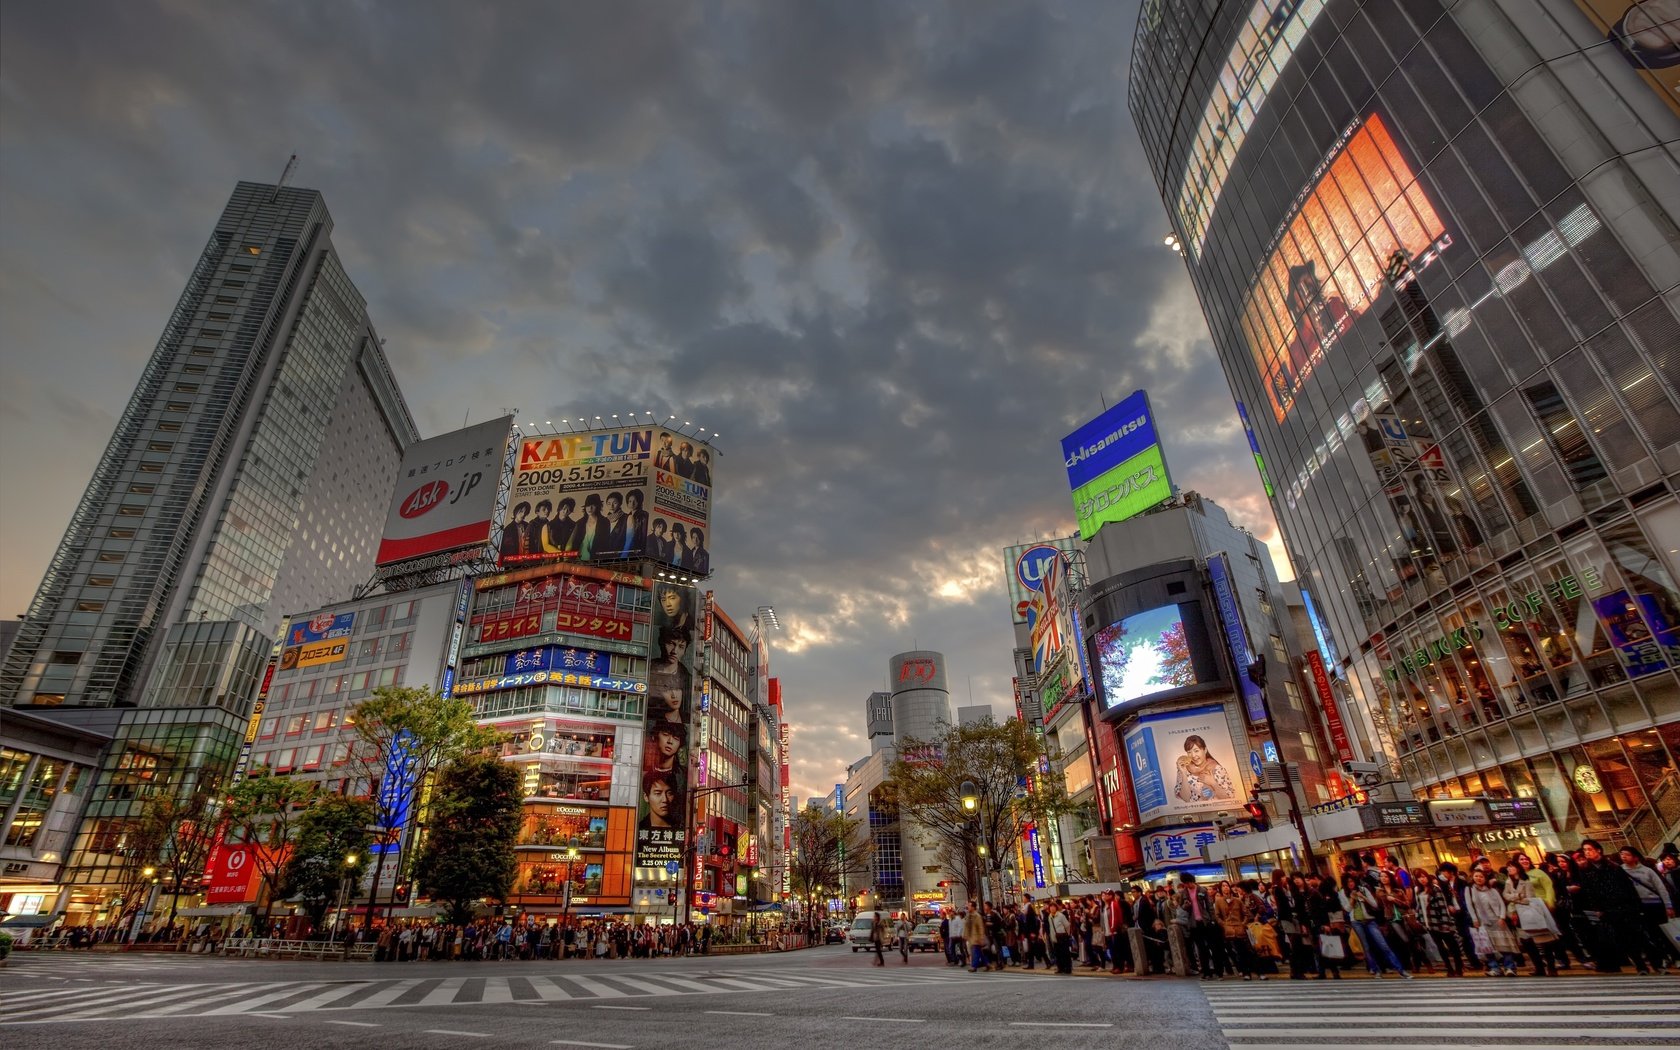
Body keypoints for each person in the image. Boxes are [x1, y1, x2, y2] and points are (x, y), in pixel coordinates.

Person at [1619, 845, 1678, 972]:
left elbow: (1661, 888)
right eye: (1622, 854)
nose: (1624, 857)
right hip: (1636, 907)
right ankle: (1661, 959)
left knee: (1663, 933)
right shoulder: (1619, 871)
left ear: (1635, 857)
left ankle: (1675, 956)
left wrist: (1668, 905)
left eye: (1627, 854)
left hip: (1654, 905)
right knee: (1649, 935)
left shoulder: (1647, 870)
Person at [1342, 871, 1411, 978]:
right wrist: (1352, 899)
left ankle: (1400, 970)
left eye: (1352, 881)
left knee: (1383, 945)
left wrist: (1363, 898)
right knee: (1366, 947)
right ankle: (1376, 970)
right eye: (1348, 882)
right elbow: (1347, 910)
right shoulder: (1342, 893)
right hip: (1356, 922)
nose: (1350, 884)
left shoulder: (1363, 889)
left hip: (1369, 920)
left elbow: (1375, 905)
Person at [1503, 861, 1561, 976]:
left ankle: (1551, 966)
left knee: (1544, 940)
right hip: (1516, 913)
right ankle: (1539, 966)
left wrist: (1514, 898)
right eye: (1508, 867)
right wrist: (1518, 897)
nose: (1509, 869)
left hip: (1530, 912)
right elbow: (1505, 895)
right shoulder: (1508, 882)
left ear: (1518, 868)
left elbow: (1530, 898)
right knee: (1527, 942)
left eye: (1511, 866)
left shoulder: (1526, 881)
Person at [1466, 867, 1520, 975]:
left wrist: (1502, 917)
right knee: (1487, 947)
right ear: (1472, 877)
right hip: (1482, 922)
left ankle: (1509, 967)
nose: (1478, 878)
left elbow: (1501, 904)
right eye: (1476, 876)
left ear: (1485, 878)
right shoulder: (1470, 890)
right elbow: (1470, 906)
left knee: (1504, 945)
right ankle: (1494, 968)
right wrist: (1475, 919)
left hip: (1497, 920)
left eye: (1481, 876)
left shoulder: (1492, 890)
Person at [1173, 735, 1235, 803]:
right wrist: (1184, 774)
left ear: (1205, 750)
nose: (1193, 755)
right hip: (1196, 811)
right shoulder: (1183, 769)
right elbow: (1186, 799)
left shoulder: (1217, 769)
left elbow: (1229, 797)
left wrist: (1213, 783)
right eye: (1189, 752)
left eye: (1196, 751)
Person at [620, 489, 649, 557]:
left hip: (636, 550)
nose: (632, 504)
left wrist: (640, 551)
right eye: (630, 501)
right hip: (625, 549)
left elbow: (643, 535)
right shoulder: (626, 517)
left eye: (635, 501)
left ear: (639, 501)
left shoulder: (644, 515)